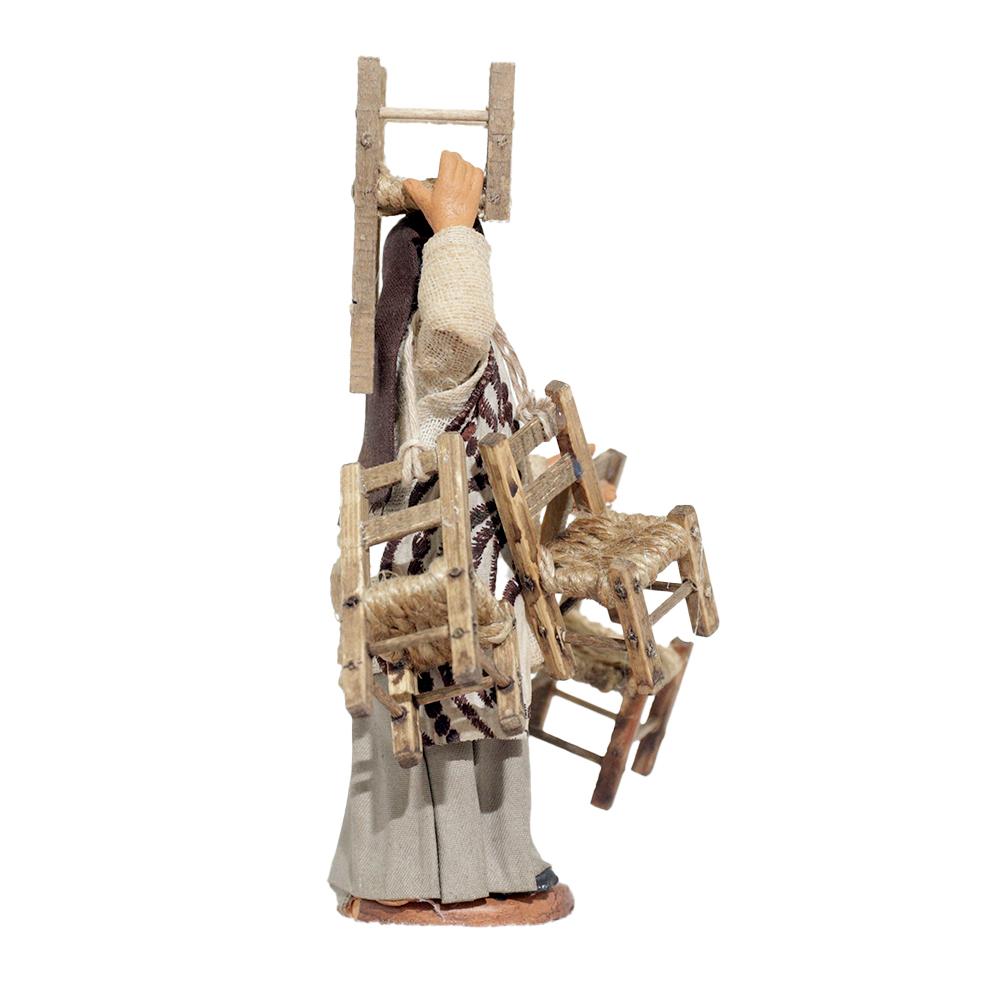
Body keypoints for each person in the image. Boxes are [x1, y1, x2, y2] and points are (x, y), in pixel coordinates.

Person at [329, 151, 560, 916]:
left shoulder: (471, 348)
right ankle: (437, 879)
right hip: (444, 565)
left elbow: (498, 425)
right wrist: (454, 228)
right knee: (453, 721)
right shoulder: (438, 348)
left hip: (483, 558)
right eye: (462, 259)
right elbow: (458, 328)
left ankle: (493, 862)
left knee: (489, 723)